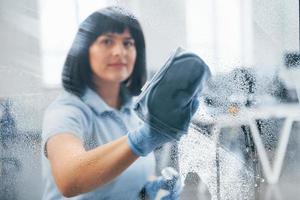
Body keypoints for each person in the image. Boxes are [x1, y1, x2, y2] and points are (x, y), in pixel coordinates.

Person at [42, 6, 210, 200]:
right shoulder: (67, 111)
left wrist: (148, 191)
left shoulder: (131, 111)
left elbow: (121, 174)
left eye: (128, 43)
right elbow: (69, 179)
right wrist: (142, 139)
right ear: (83, 51)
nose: (119, 51)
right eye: (107, 41)